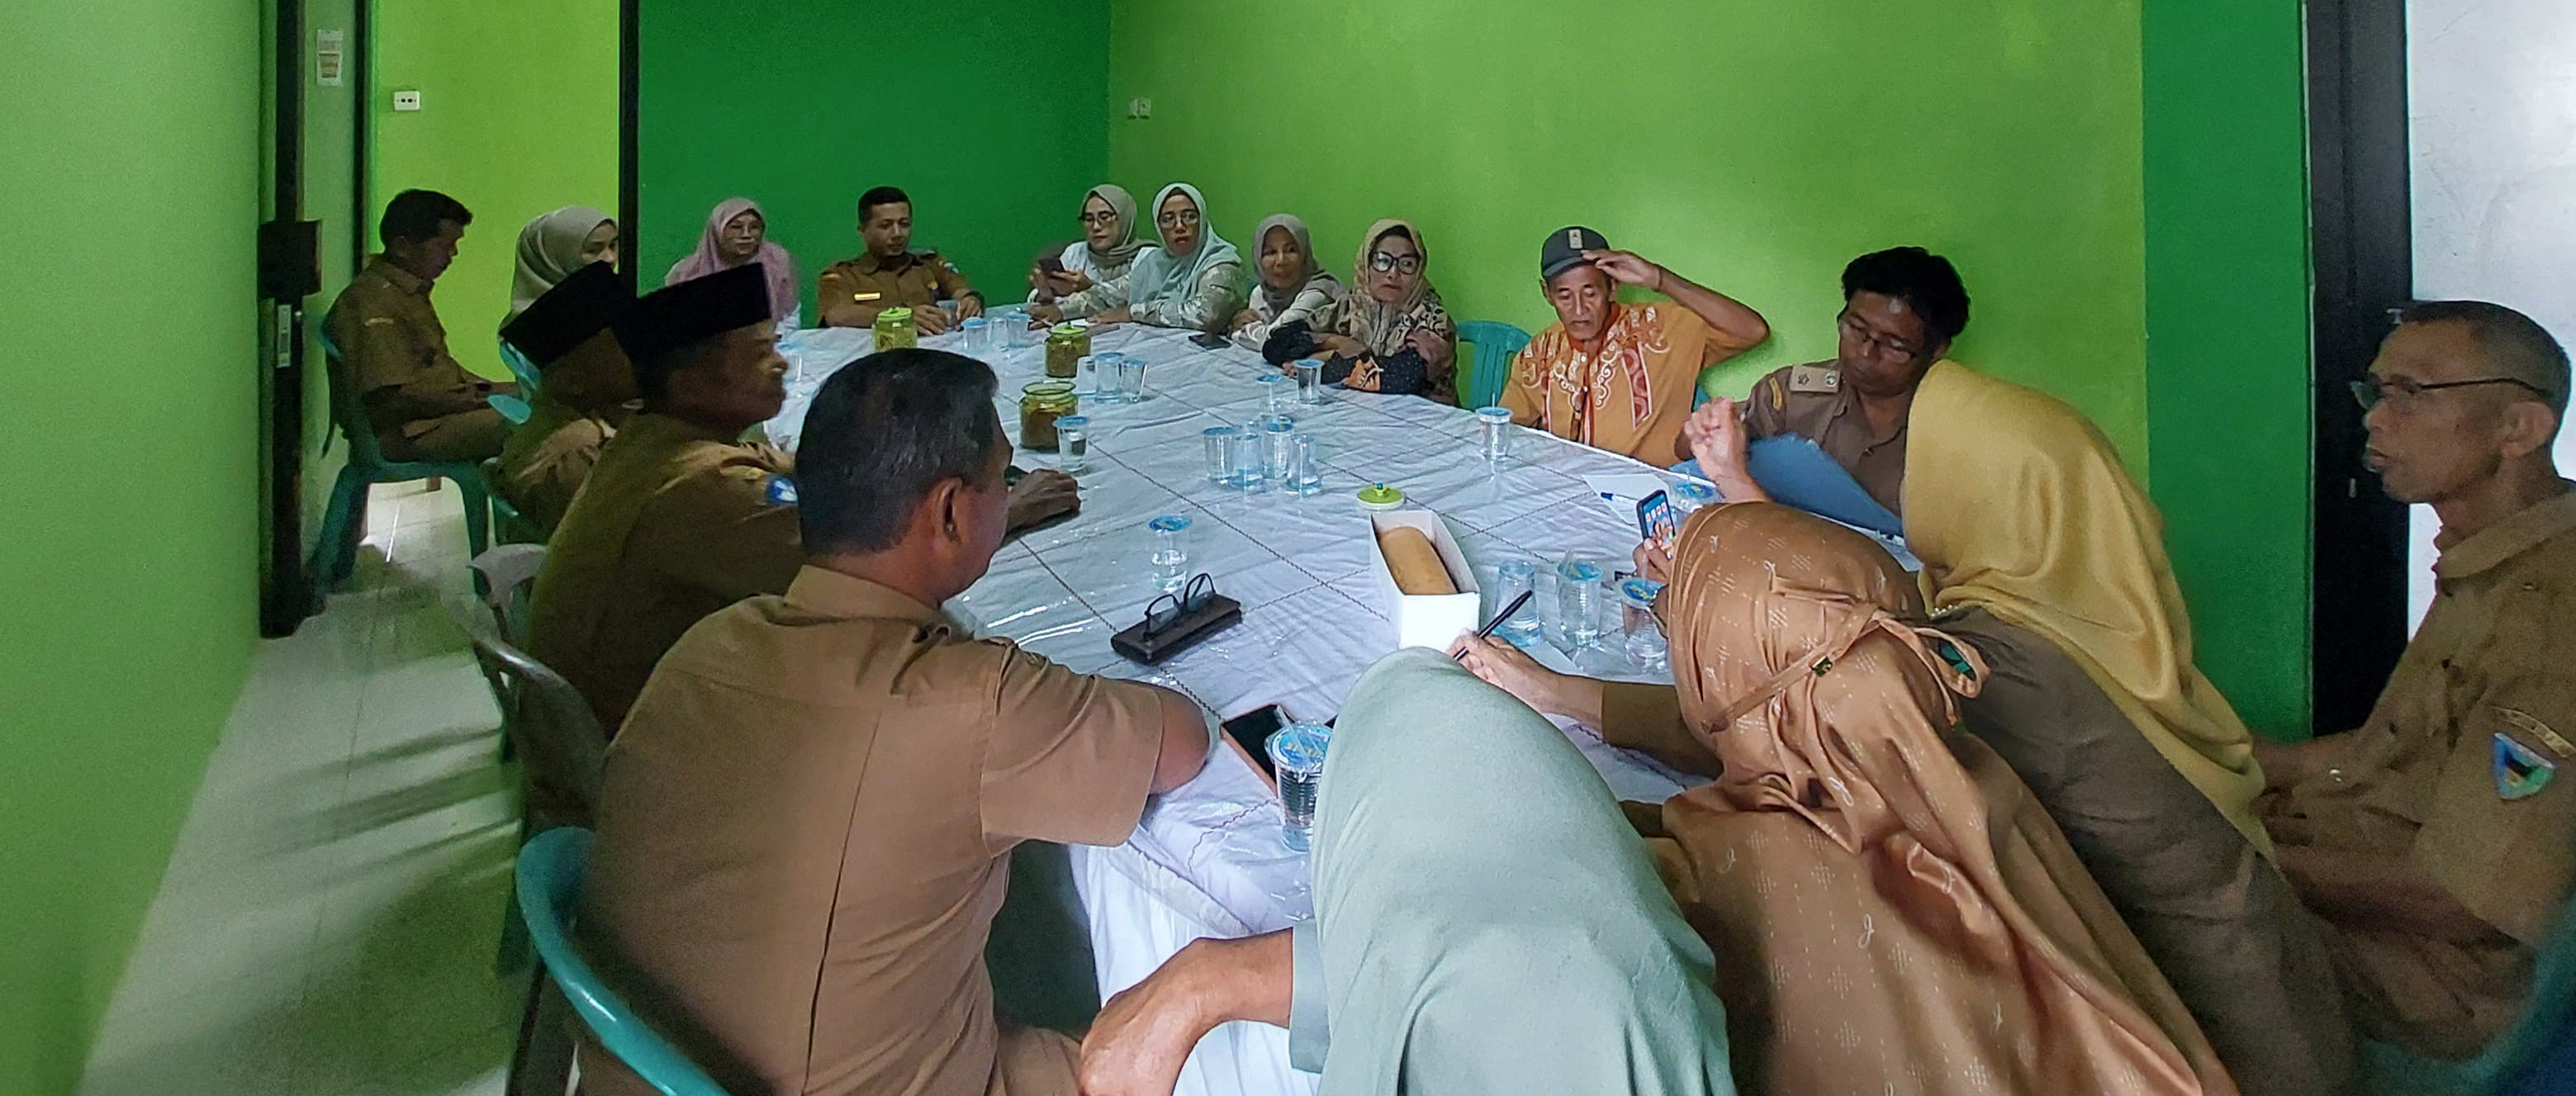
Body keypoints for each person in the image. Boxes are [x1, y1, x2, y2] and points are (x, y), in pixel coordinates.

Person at [1683, 267, 2351, 1096]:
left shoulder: (2000, 665)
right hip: (2255, 953)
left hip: (2228, 1029)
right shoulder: (2097, 604)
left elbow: (1805, 711)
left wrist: (1580, 690)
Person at [581, 348, 1211, 1096]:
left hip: (645, 1065)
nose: (1006, 497)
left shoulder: (708, 644)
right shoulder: (967, 701)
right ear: (949, 512)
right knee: (1190, 1047)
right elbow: (1181, 740)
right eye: (999, 482)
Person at [1468, 505, 2236, 1095]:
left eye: (1691, 621)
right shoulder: (1947, 760)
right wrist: (1549, 687)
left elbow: (1535, 858)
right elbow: (1743, 712)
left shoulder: (1733, 862)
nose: (1673, 620)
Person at [2256, 301, 2576, 1065]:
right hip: (2392, 894)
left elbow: (2460, 905)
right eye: (2375, 394)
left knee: (2097, 911)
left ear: (2520, 429)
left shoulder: (2560, 629)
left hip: (2448, 984)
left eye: (2411, 394)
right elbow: (2392, 754)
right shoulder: (2500, 565)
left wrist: (2237, 853)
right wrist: (2229, 755)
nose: (2374, 422)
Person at [528, 268, 1082, 815]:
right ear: (688, 380)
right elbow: (871, 562)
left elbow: (797, 467)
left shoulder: (655, 441)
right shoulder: (702, 485)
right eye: (756, 354)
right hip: (647, 755)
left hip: (630, 708)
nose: (780, 364)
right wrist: (1005, 508)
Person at [1076, 649, 1734, 1096]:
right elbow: (1464, 969)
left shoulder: (1717, 876)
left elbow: (1500, 966)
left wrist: (1205, 980)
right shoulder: (1756, 831)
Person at [1717, 242, 1967, 517]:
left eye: (1894, 346)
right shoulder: (1790, 395)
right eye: (1856, 328)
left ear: (1936, 350)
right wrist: (1707, 432)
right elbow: (1700, 461)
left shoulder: (1959, 434)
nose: (1865, 352)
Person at [1501, 227, 1767, 467]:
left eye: (1590, 292)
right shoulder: (1539, 353)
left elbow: (1752, 330)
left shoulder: (1662, 330)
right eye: (1564, 296)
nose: (1579, 309)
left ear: (1613, 287)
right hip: (1567, 492)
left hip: (1652, 493)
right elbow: (1505, 429)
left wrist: (1659, 279)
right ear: (1547, 294)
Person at [322, 187, 514, 463]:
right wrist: (477, 399)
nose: (453, 254)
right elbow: (392, 402)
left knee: (547, 405)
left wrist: (494, 393)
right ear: (402, 247)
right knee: (538, 428)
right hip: (409, 433)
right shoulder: (373, 304)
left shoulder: (405, 293)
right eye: (445, 246)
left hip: (433, 417)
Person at [493, 260, 637, 534]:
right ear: (574, 381)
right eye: (631, 346)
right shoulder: (578, 458)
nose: (652, 353)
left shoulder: (573, 413)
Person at [1264, 218, 1456, 401]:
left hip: (1426, 424)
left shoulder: (1432, 318)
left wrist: (1327, 360)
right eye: (1382, 261)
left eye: (1407, 264)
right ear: (1366, 265)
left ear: (1419, 270)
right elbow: (1275, 344)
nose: (1392, 273)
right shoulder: (1351, 307)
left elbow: (1402, 377)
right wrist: (1336, 342)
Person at [1071, 183, 1243, 336]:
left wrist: (1133, 313)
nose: (1179, 226)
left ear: (1203, 220)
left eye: (1189, 216)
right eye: (1168, 220)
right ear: (1159, 227)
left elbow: (1206, 316)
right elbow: (1109, 294)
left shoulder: (1222, 263)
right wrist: (1059, 309)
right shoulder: (1155, 262)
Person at [816, 185, 980, 334]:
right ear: (862, 231)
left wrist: (969, 301)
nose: (897, 234)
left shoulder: (929, 264)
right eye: (885, 226)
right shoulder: (843, 275)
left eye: (904, 224)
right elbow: (836, 315)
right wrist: (897, 317)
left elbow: (959, 289)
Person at [664, 196, 799, 324]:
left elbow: (789, 317)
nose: (746, 235)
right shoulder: (686, 274)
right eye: (736, 227)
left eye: (754, 227)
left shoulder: (776, 262)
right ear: (717, 231)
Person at [1230, 214, 1345, 352]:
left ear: (1304, 254)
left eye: (1291, 250)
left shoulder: (1319, 293)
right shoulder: (1262, 292)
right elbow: (1257, 336)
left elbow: (1274, 340)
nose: (1281, 261)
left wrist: (1237, 333)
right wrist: (1239, 324)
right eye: (1271, 252)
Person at [1031, 184, 1147, 316]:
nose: (1096, 227)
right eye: (1089, 219)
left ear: (1125, 218)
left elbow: (1139, 305)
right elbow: (1045, 304)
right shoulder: (1076, 252)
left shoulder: (1147, 257)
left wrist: (1089, 288)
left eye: (1104, 217)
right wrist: (1047, 294)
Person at [509, 205, 618, 315]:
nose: (610, 258)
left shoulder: (617, 305)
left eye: (613, 246)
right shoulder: (530, 326)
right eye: (593, 250)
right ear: (553, 259)